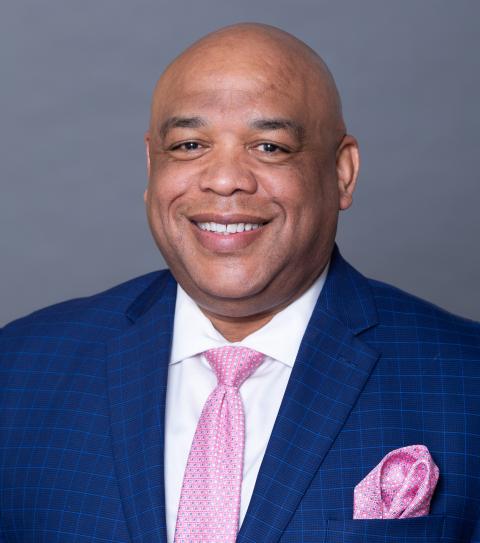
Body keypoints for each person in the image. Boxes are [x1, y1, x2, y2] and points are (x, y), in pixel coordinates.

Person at [0, 22, 479, 543]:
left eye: (269, 147)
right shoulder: (19, 370)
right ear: (151, 167)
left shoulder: (465, 380)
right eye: (189, 145)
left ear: (342, 172)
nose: (225, 179)